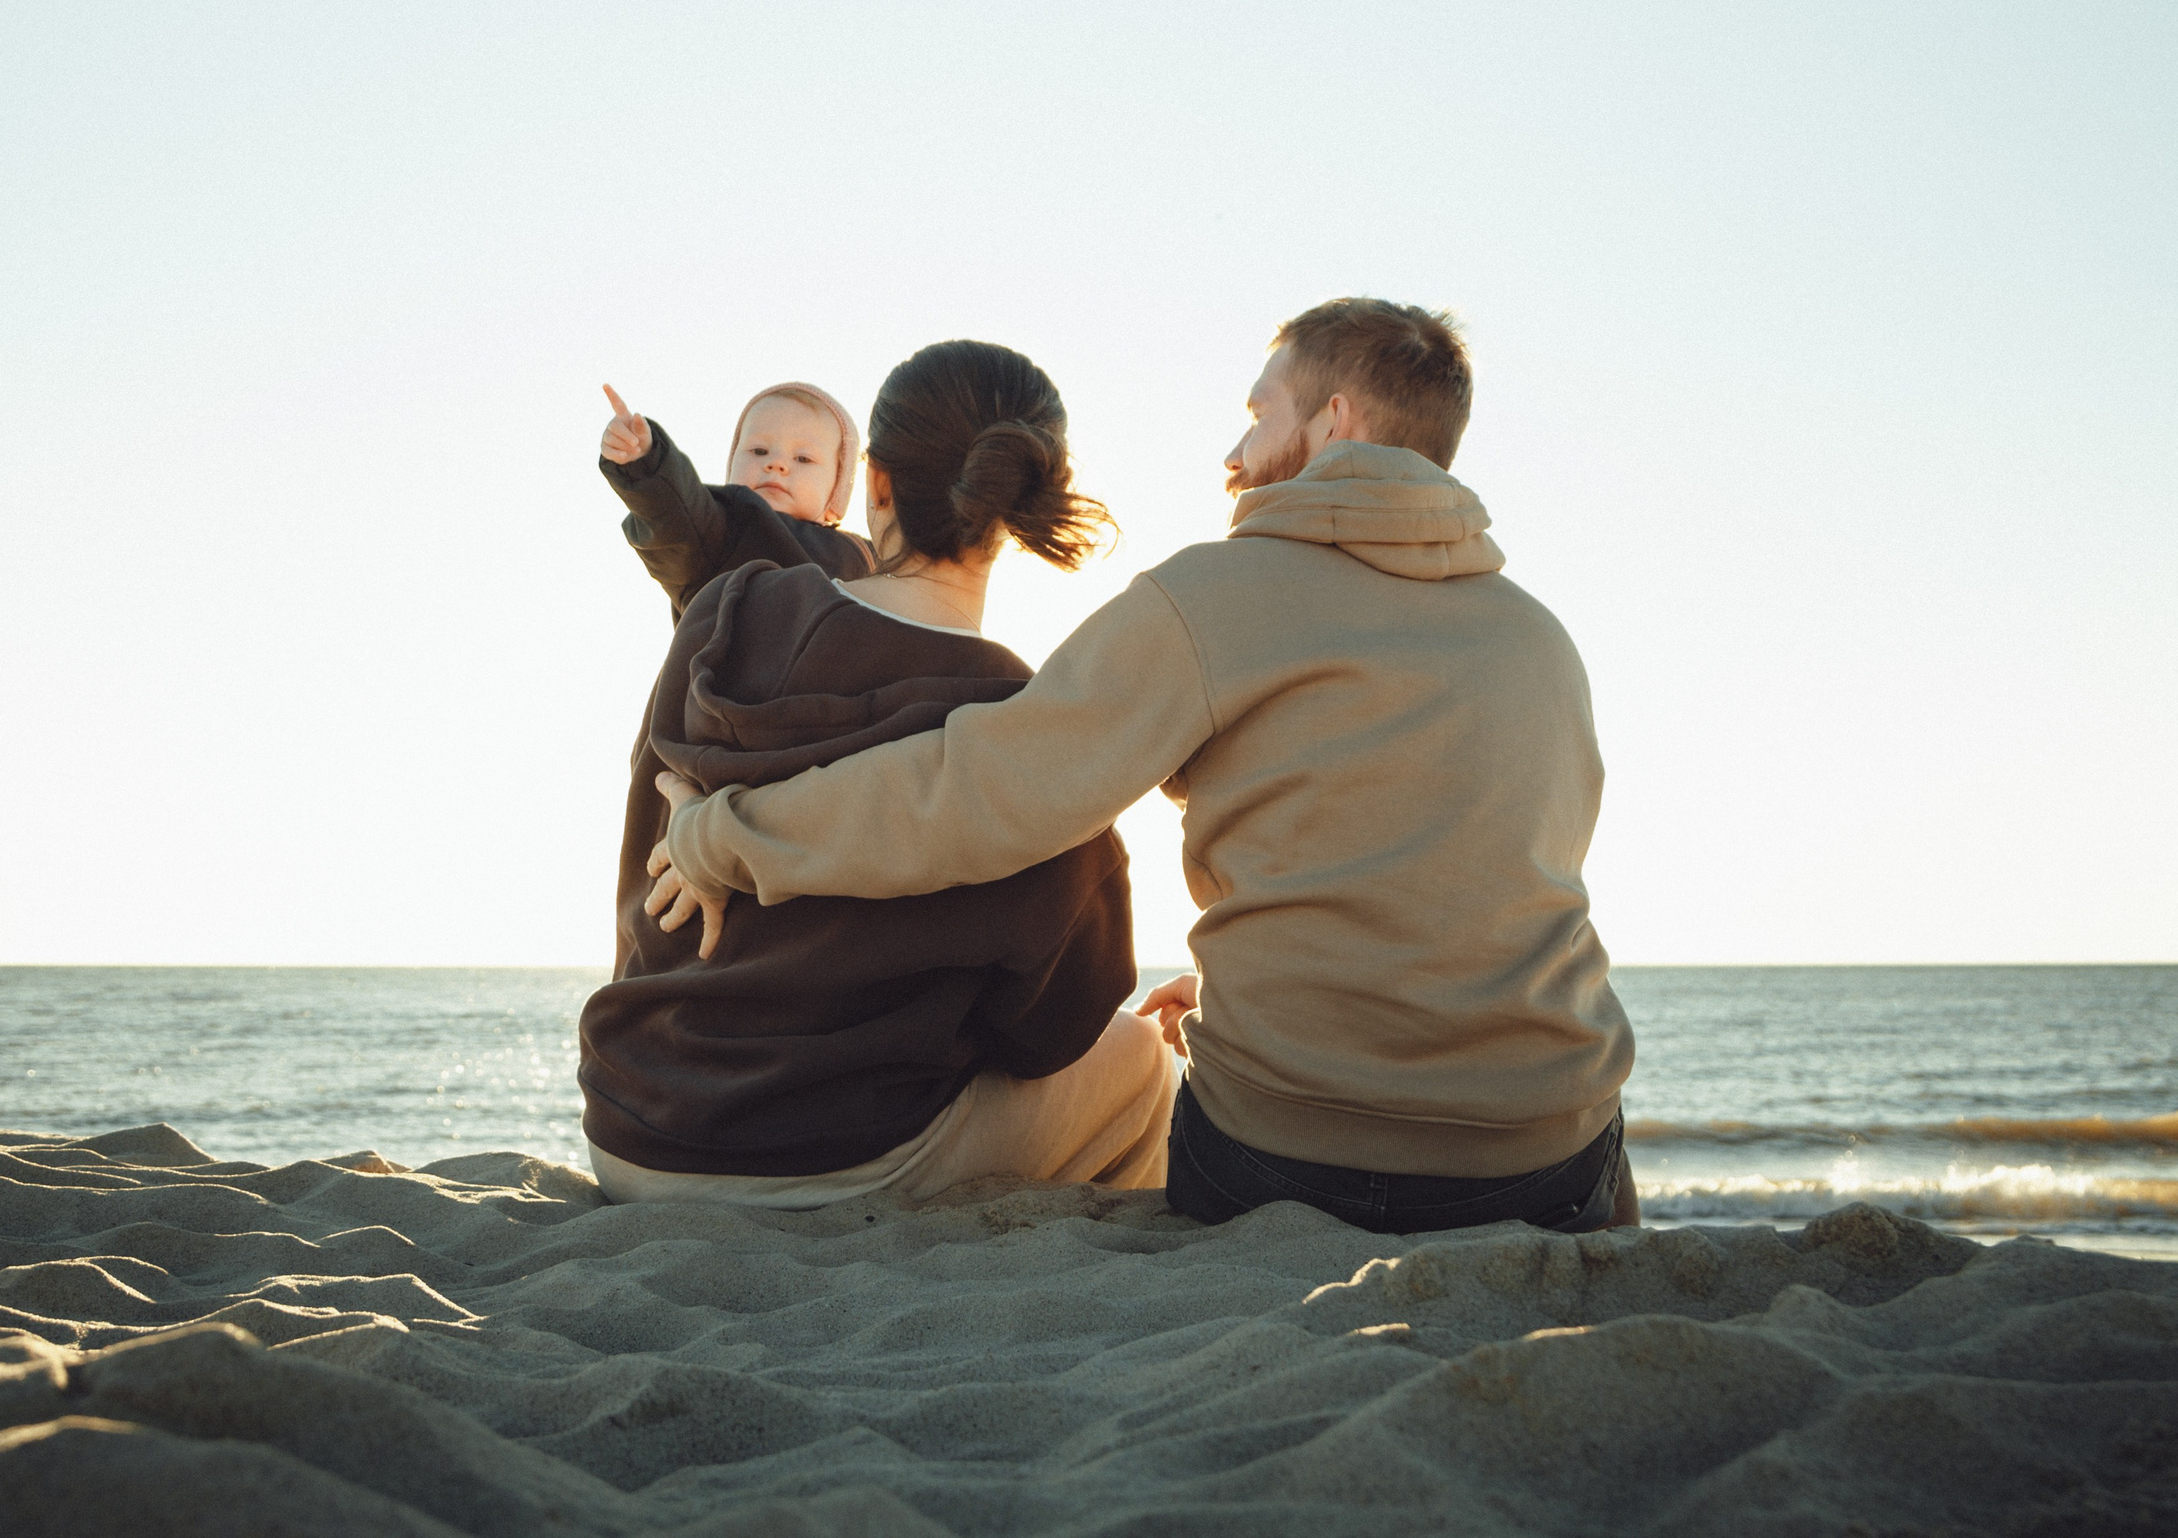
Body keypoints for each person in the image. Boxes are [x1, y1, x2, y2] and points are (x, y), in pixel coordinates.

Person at [646, 298, 1640, 1235]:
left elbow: (979, 791)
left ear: (1333, 422)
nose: (1232, 455)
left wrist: (718, 836)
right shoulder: (1541, 642)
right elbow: (1483, 887)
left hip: (1288, 1156)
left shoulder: (1212, 599)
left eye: (1258, 417)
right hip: (1548, 1159)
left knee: (1165, 1093)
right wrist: (1249, 985)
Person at [580, 340, 1177, 1207]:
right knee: (1143, 1061)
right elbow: (1047, 1030)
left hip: (632, 1130)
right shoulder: (1020, 721)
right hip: (830, 1163)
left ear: (875, 484)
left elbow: (647, 874)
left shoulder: (724, 610)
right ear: (1012, 511)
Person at [599, 379, 874, 621]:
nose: (776, 463)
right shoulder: (721, 529)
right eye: (759, 450)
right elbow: (675, 513)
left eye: (803, 458)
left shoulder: (867, 554)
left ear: (836, 491)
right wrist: (647, 460)